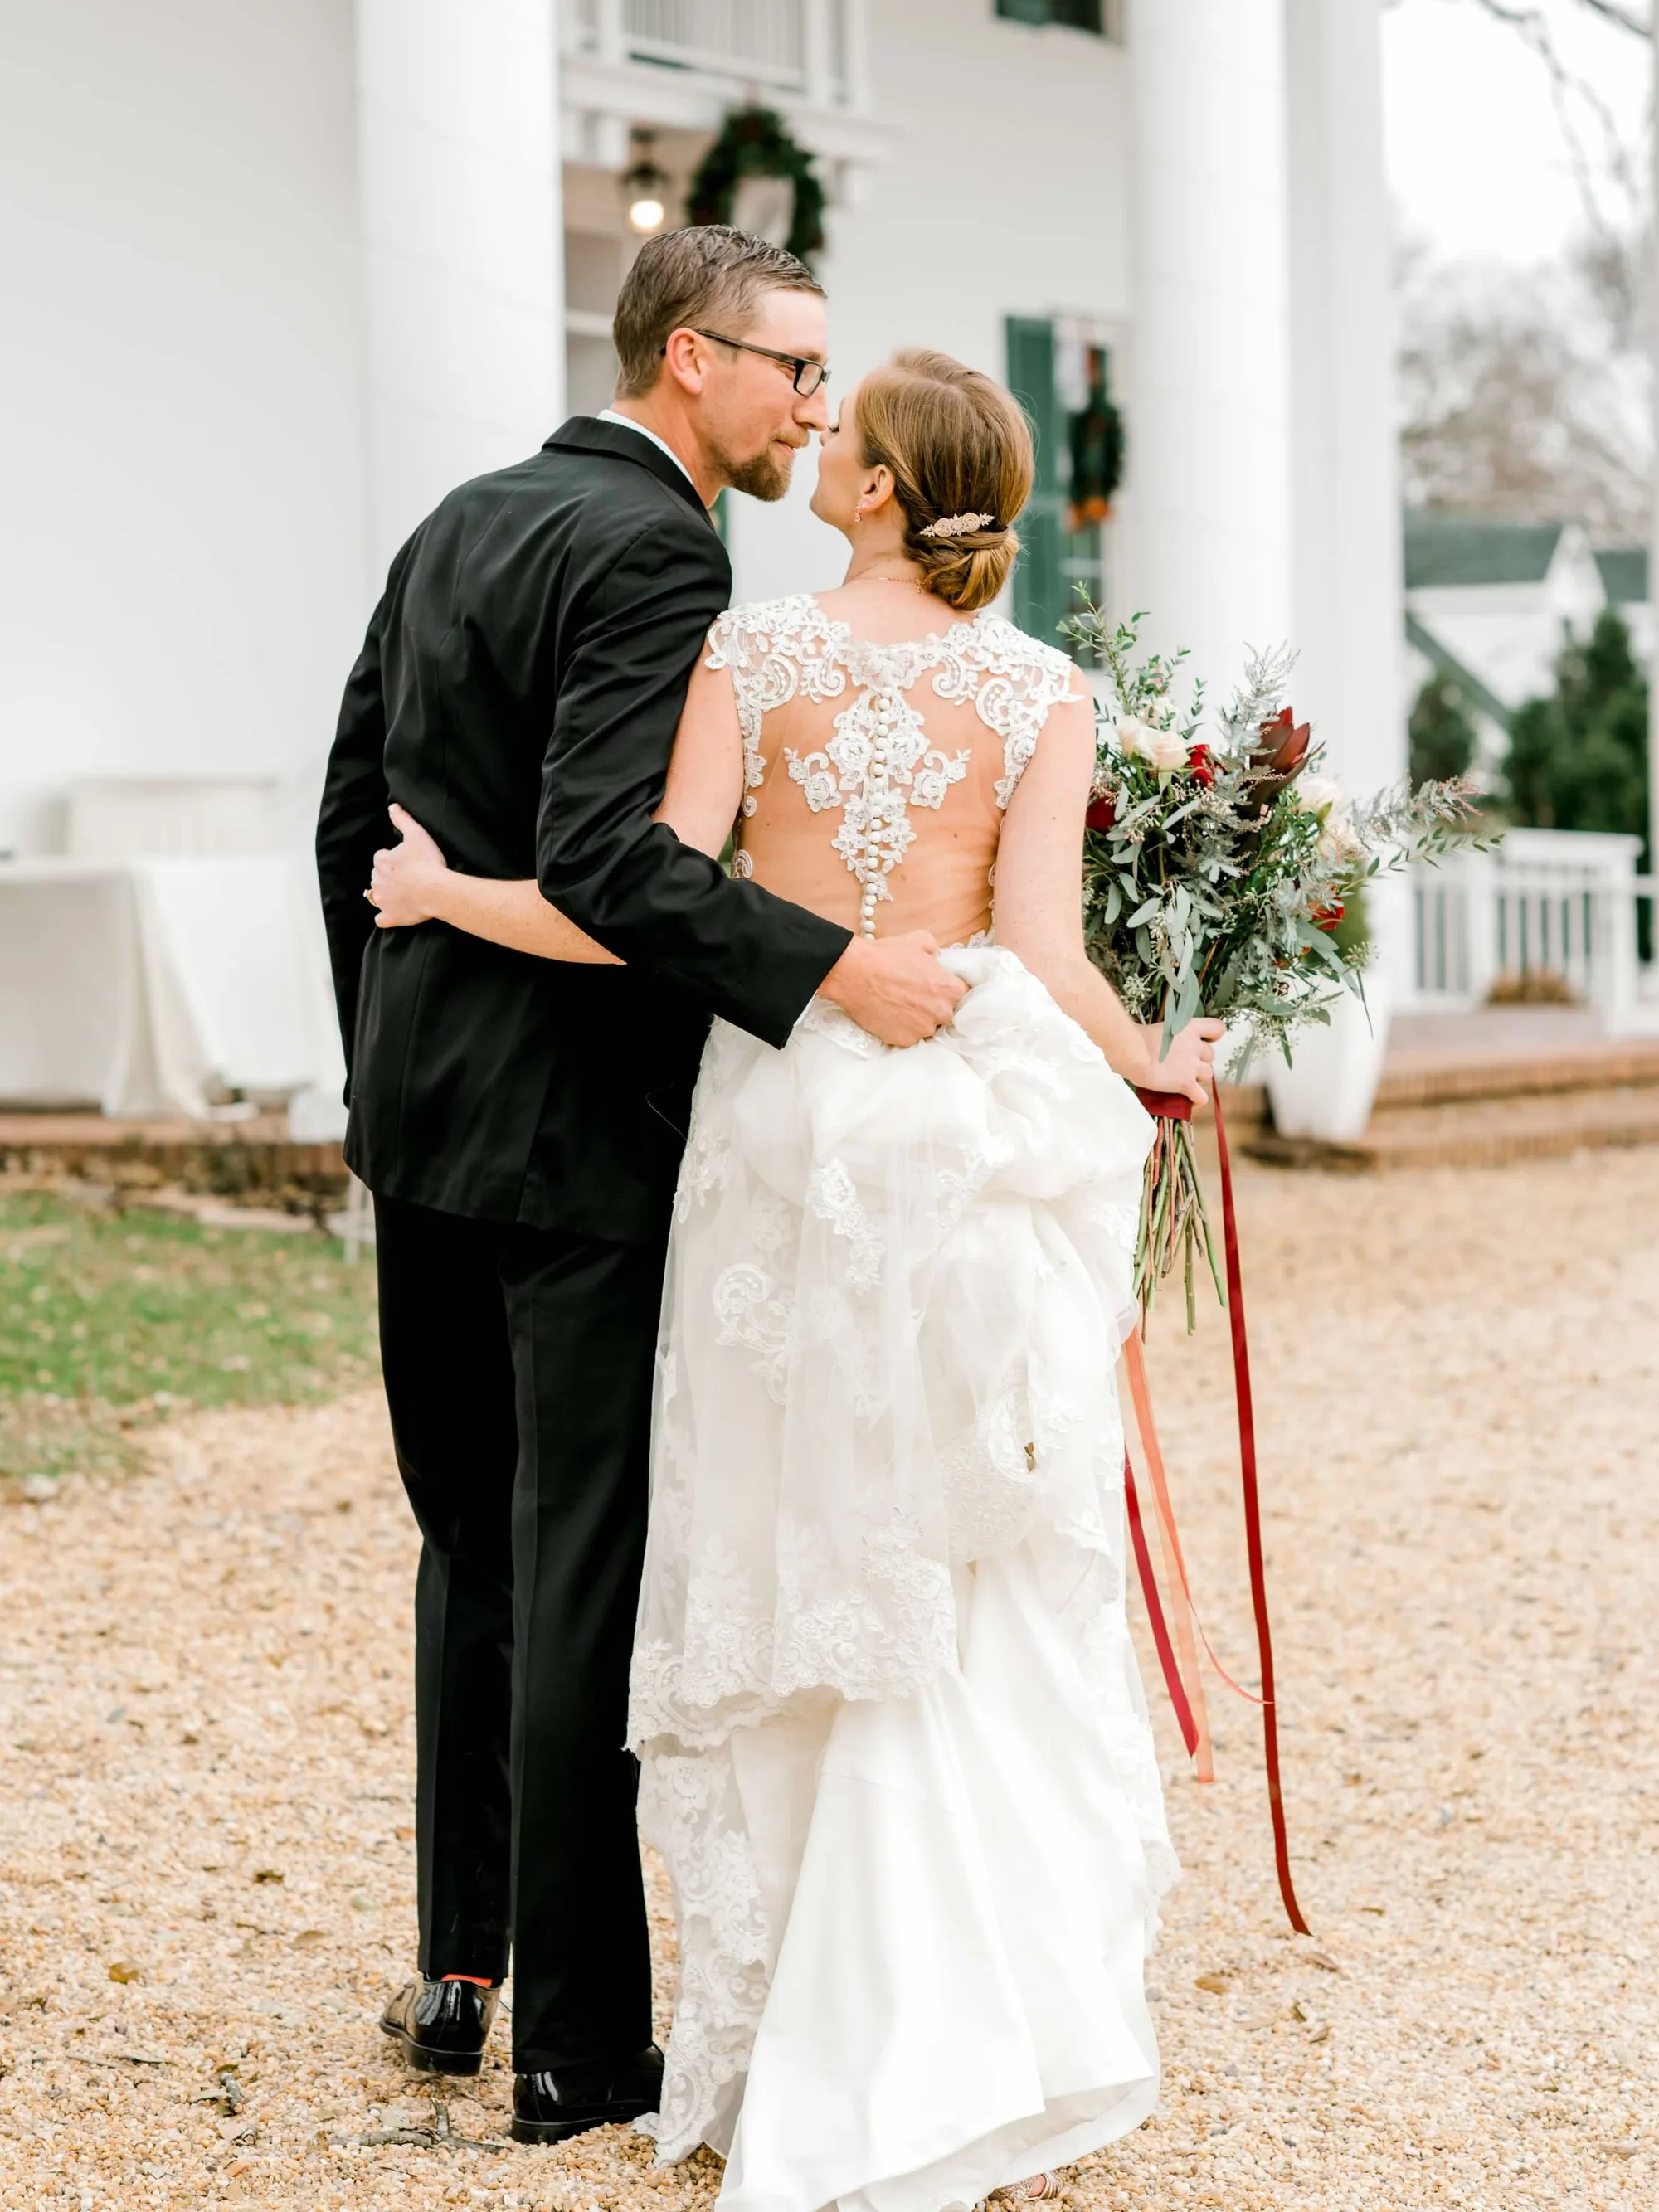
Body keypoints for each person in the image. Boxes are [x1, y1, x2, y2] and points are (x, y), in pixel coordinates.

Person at [369, 345, 1223, 2206]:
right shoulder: (1038, 688)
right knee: (950, 1538)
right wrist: (1162, 1054)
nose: (818, 438)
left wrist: (443, 901)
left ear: (876, 488)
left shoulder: (747, 656)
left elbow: (633, 904)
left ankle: (788, 2023)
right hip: (959, 1121)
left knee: (783, 1536)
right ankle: (955, 2005)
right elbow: (1041, 956)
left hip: (773, 1126)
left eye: (846, 430)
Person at [315, 227, 970, 2147]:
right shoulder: (662, 546)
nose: (815, 409)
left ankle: (458, 1966)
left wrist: (380, 1042)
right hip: (572, 1140)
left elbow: (351, 808)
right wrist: (836, 968)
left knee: (471, 1542)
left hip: (419, 1114)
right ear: (693, 360)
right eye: (792, 369)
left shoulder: (456, 518)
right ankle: (581, 2053)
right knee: (576, 1560)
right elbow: (613, 860)